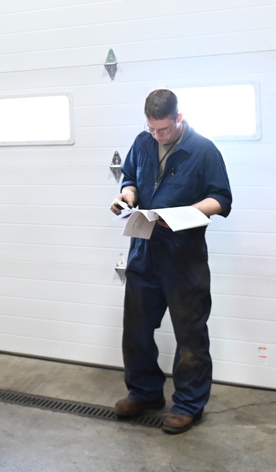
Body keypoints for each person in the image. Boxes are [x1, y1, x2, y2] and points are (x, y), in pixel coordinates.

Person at [109, 89, 232, 435]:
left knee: (190, 335)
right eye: (152, 129)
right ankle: (145, 393)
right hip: (144, 251)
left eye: (163, 129)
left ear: (179, 117)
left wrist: (187, 214)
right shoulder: (143, 142)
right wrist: (127, 196)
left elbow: (221, 198)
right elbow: (130, 177)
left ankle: (189, 405)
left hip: (183, 256)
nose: (157, 136)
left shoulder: (203, 150)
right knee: (136, 329)